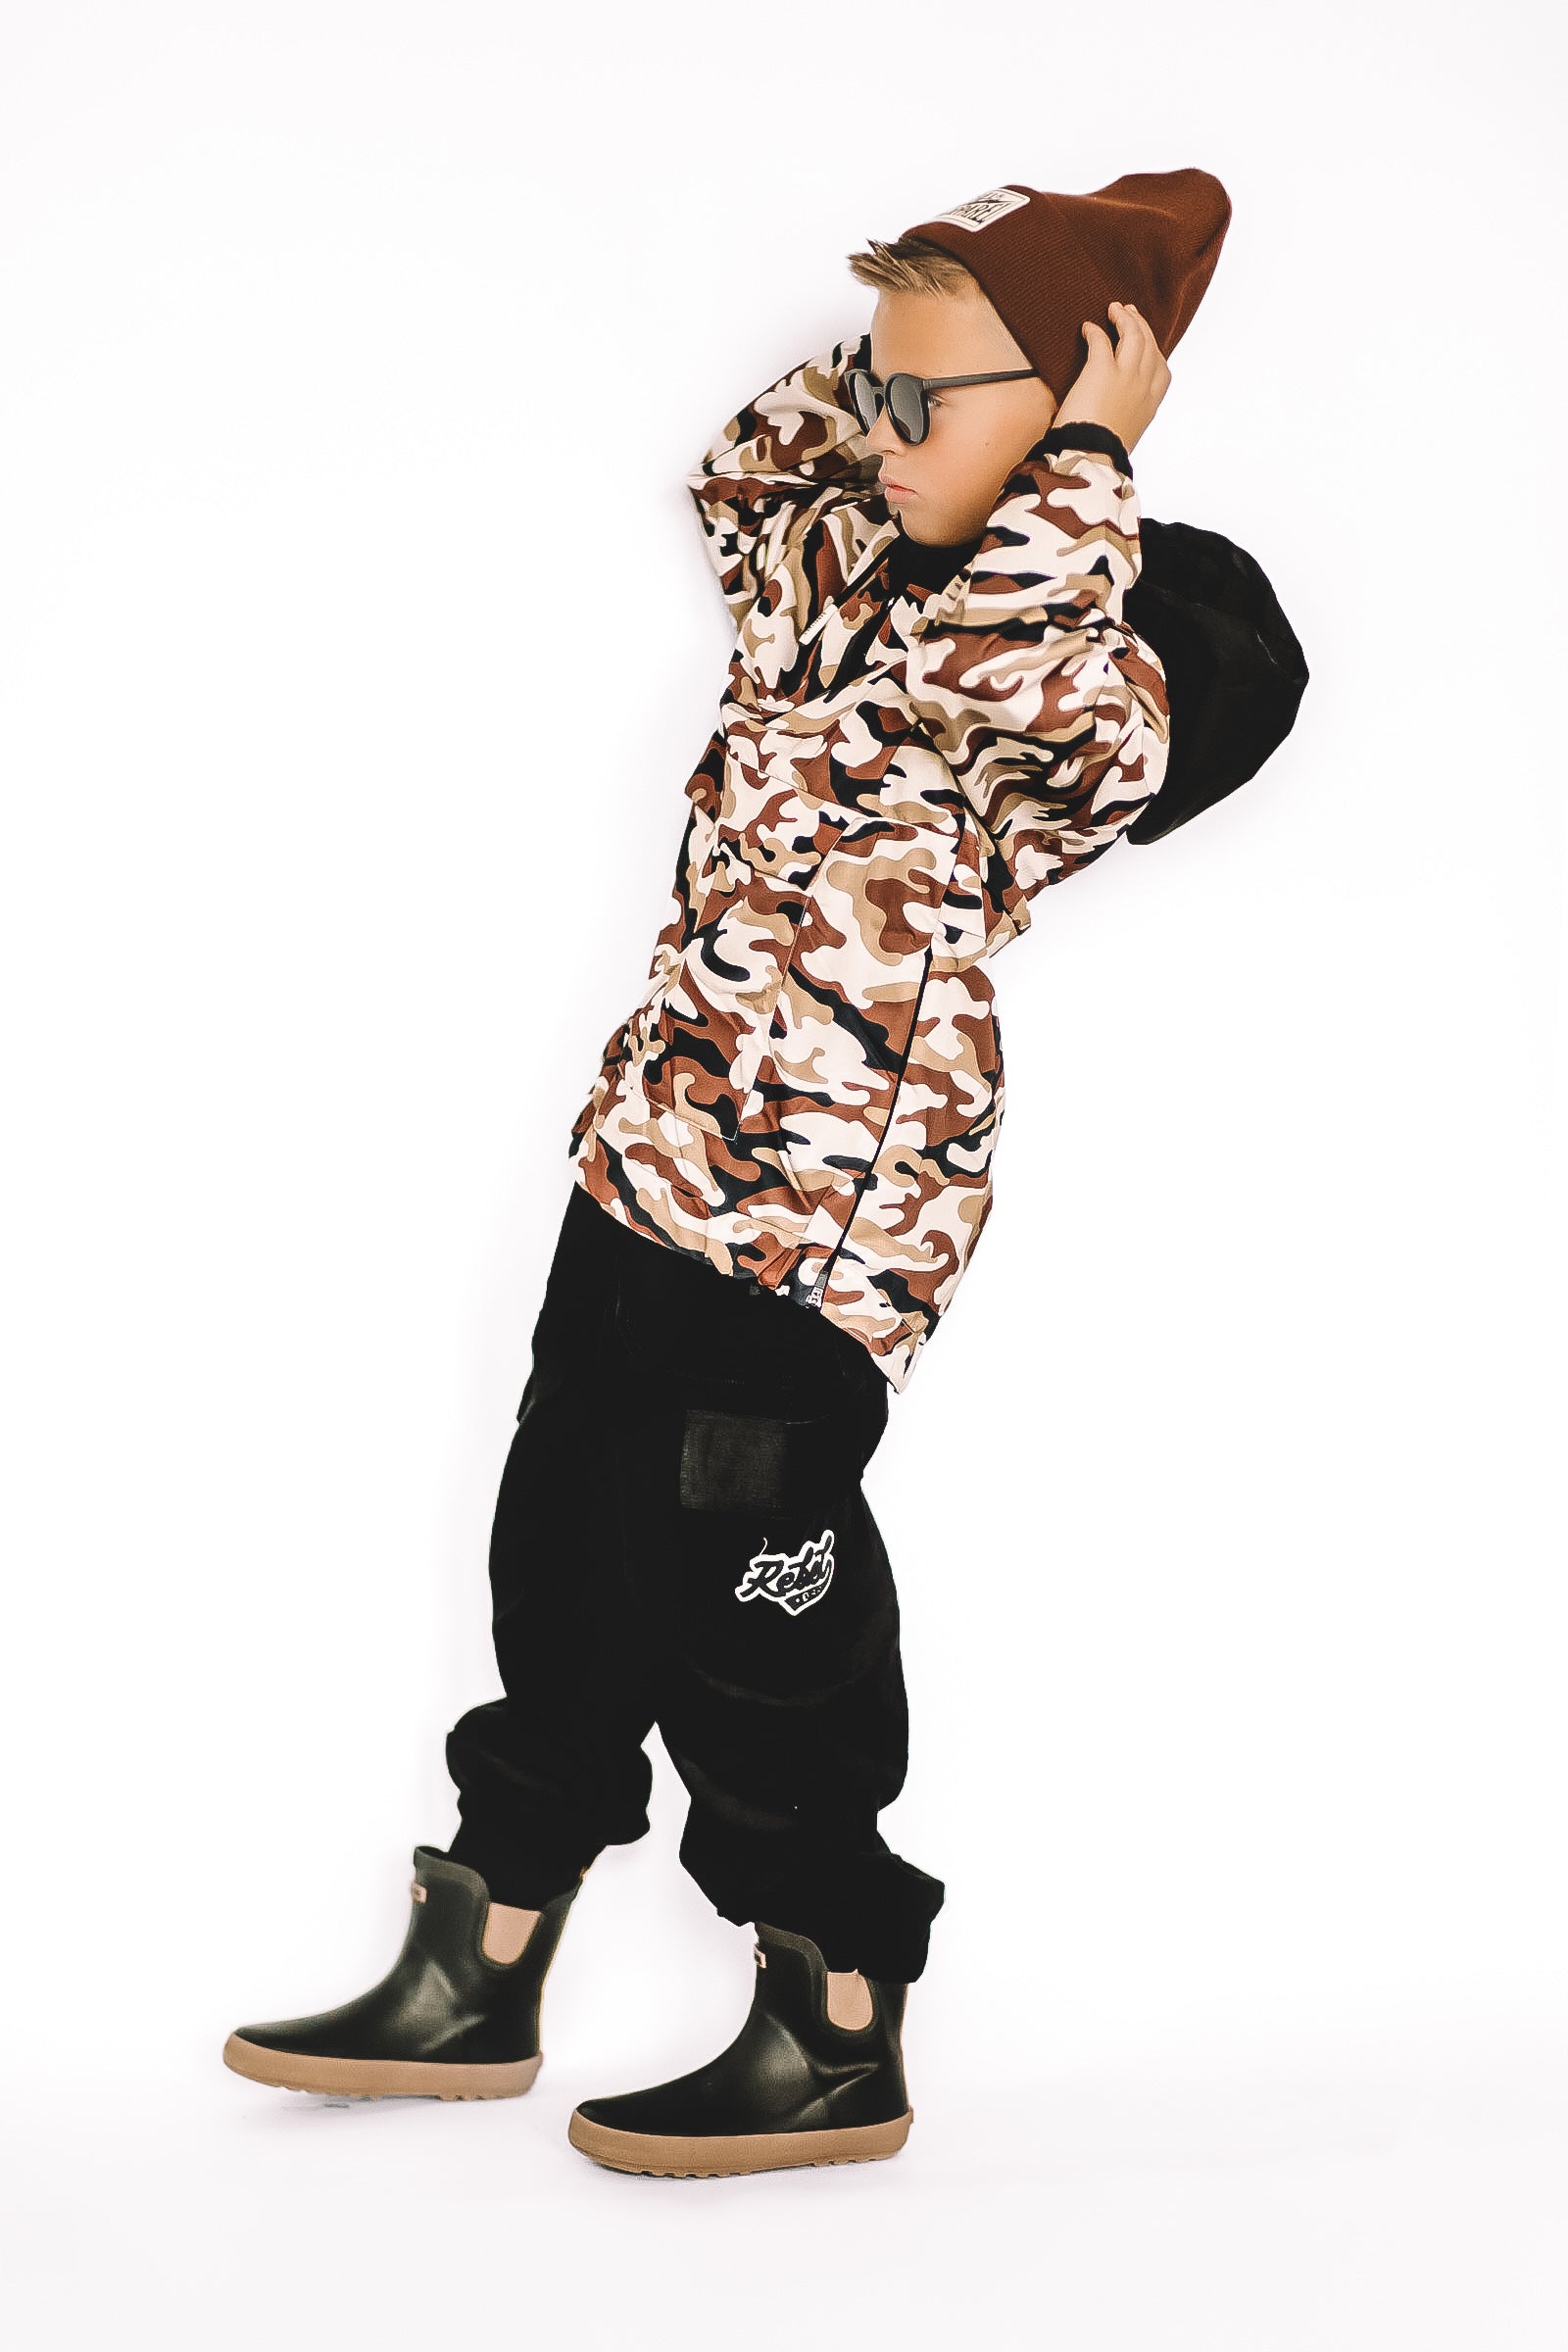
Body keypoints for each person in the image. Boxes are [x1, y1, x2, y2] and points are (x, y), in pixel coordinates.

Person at [222, 169, 1231, 2179]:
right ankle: (485, 1947)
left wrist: (1090, 449)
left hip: (828, 1212)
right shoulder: (836, 569)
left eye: (933, 403)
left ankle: (833, 2004)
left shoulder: (1093, 671)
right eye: (881, 387)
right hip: (655, 1148)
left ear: (1074, 437)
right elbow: (743, 465)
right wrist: (920, 358)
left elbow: (1008, 662)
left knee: (746, 1594)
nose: (883, 429)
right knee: (560, 1540)